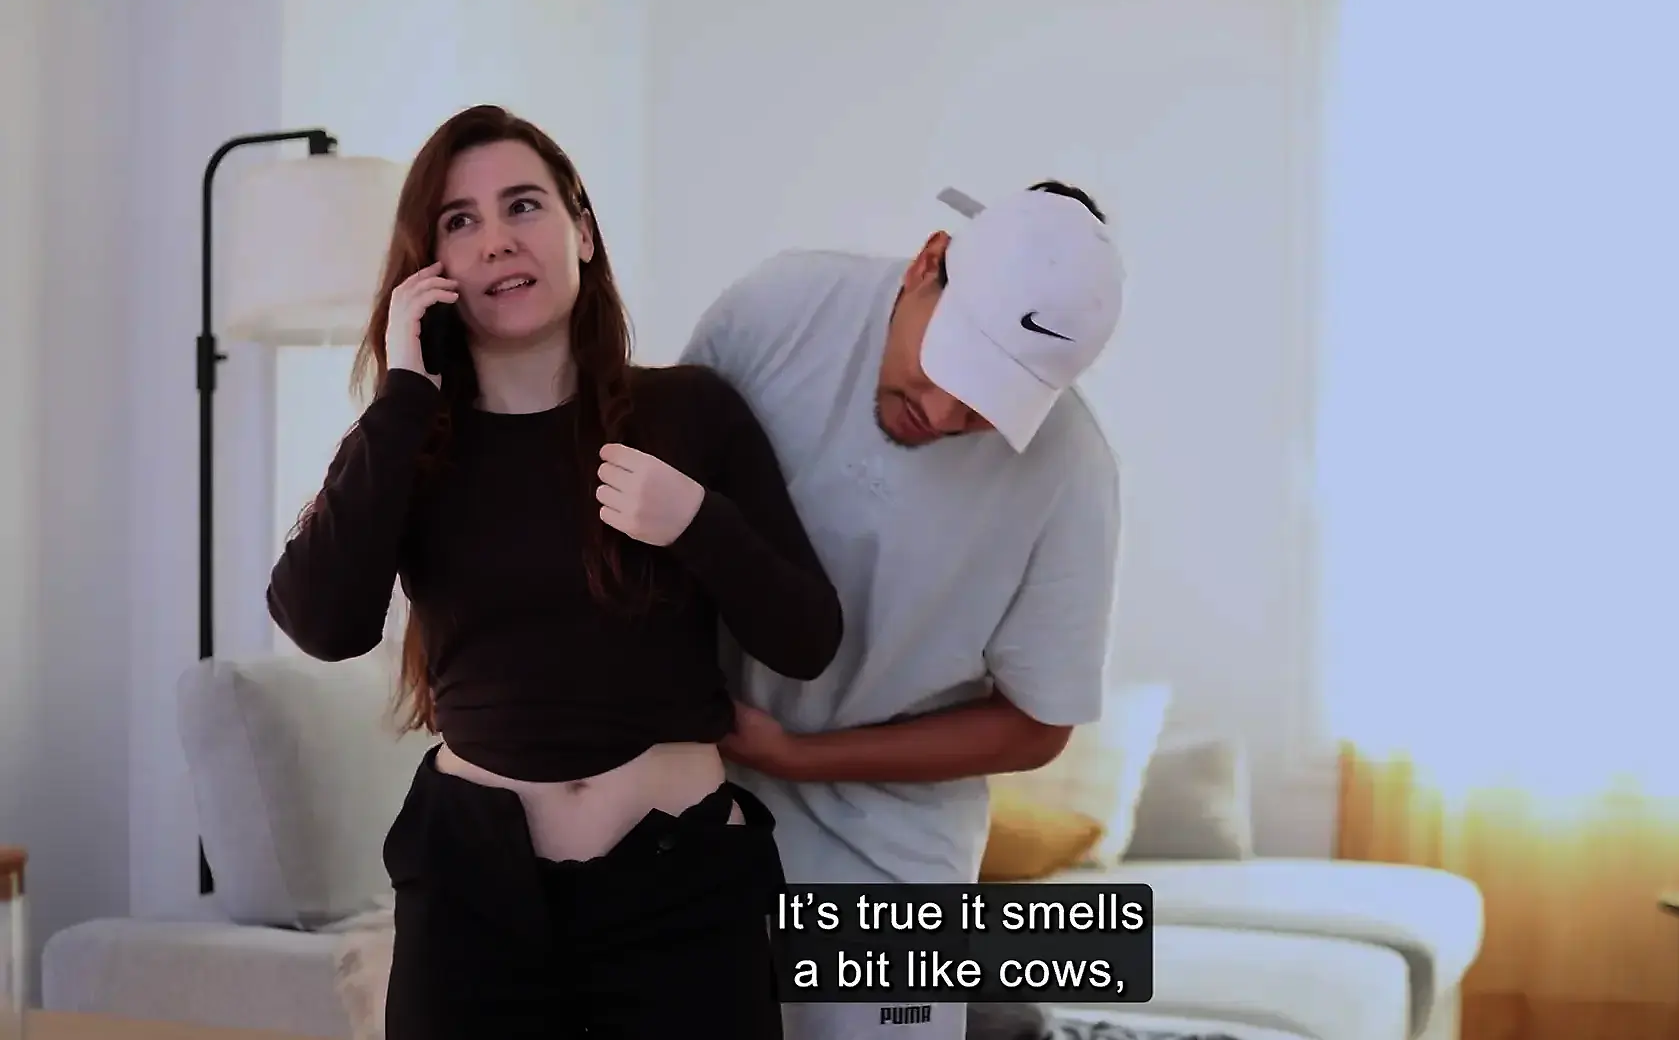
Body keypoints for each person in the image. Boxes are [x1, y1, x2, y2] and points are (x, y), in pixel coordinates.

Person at [266, 104, 844, 1039]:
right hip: (471, 895)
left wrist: (697, 521)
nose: (497, 239)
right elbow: (322, 625)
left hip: (683, 891)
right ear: (431, 268)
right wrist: (403, 395)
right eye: (459, 221)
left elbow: (808, 640)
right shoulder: (411, 447)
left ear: (581, 230)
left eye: (523, 205)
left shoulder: (690, 412)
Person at [680, 180, 1125, 1040]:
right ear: (928, 262)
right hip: (689, 800)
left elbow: (1037, 726)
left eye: (990, 404)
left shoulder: (1071, 473)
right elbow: (659, 502)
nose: (945, 415)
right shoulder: (780, 311)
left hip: (889, 849)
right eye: (954, 366)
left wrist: (801, 757)